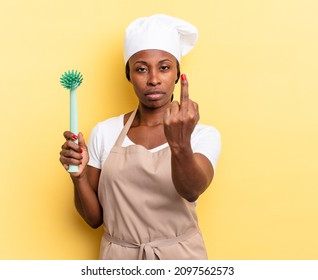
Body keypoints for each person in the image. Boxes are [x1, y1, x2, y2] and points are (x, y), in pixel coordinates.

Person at [59, 14, 221, 260]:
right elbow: (94, 220)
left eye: (164, 67)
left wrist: (179, 142)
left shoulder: (202, 134)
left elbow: (191, 190)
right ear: (129, 75)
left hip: (181, 259)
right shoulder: (105, 132)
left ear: (178, 73)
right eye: (141, 69)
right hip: (119, 260)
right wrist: (79, 178)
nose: (154, 79)